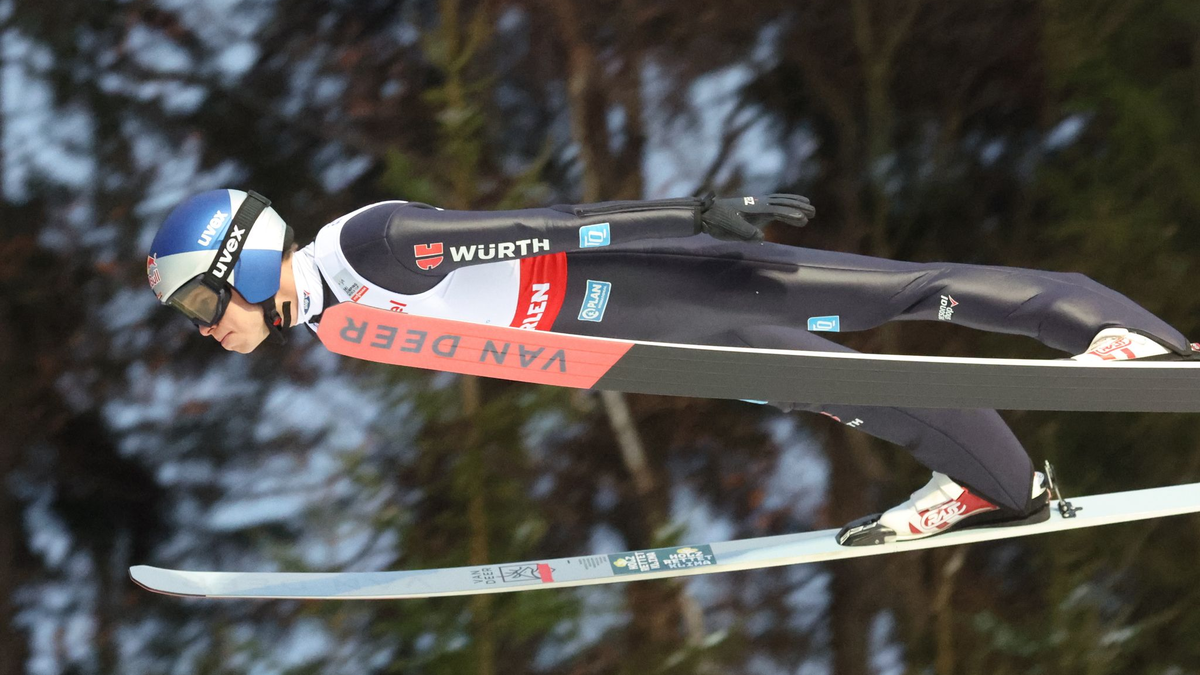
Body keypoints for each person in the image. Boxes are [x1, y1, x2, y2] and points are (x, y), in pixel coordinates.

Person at [146, 189, 1197, 546]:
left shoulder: (365, 249)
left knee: (906, 301)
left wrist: (694, 216)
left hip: (665, 284)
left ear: (241, 264)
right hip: (646, 338)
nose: (204, 326)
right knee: (866, 382)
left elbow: (535, 227)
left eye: (200, 302)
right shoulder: (339, 316)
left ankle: (1131, 343)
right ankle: (1001, 486)